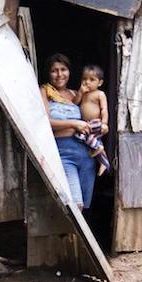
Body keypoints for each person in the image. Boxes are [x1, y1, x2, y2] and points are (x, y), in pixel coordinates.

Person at [40, 53, 96, 211]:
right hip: (63, 153)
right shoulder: (45, 91)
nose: (59, 74)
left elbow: (92, 115)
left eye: (63, 69)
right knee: (74, 204)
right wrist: (74, 123)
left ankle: (75, 236)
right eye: (54, 70)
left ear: (69, 71)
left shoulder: (75, 94)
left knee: (85, 203)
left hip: (85, 154)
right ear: (48, 73)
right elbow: (46, 123)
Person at [74, 65, 111, 176]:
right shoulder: (83, 93)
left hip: (96, 123)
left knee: (88, 138)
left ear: (99, 83)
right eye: (84, 79)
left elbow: (104, 109)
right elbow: (75, 103)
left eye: (92, 80)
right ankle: (103, 161)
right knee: (82, 137)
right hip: (86, 124)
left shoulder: (99, 94)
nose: (87, 82)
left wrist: (104, 123)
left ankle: (99, 149)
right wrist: (80, 92)